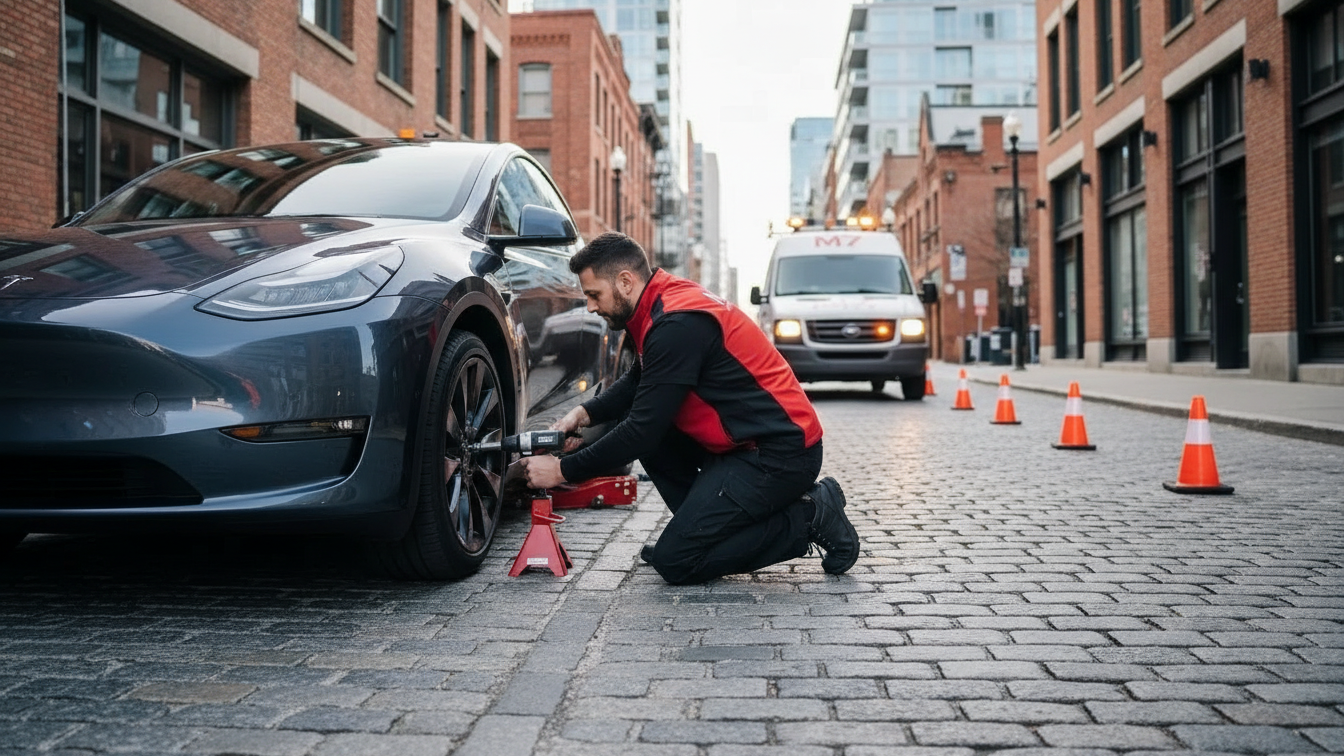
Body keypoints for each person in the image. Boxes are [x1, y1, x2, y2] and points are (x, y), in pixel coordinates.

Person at [518, 232, 859, 584]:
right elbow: (639, 381)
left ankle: (813, 514)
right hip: (741, 445)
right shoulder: (659, 303)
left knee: (678, 561)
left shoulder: (676, 323)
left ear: (624, 281)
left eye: (594, 294)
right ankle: (699, 534)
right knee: (657, 440)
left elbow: (641, 430)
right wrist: (584, 414)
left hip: (780, 455)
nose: (590, 306)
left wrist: (562, 470)